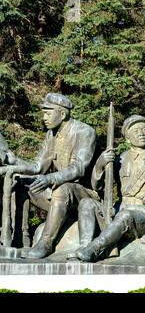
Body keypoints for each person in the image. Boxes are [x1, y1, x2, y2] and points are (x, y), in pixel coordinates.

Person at [0, 93, 97, 258]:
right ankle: (21, 238)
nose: (44, 117)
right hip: (58, 189)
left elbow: (79, 168)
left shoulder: (84, 132)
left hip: (83, 193)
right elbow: (38, 166)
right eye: (43, 113)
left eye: (48, 113)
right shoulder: (51, 135)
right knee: (22, 183)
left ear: (62, 114)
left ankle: (46, 243)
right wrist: (13, 161)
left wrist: (50, 179)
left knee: (63, 189)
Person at [73, 115, 145, 262]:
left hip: (143, 214)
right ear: (127, 138)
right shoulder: (119, 159)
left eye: (144, 129)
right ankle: (84, 247)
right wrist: (99, 165)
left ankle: (94, 248)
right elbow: (97, 187)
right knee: (87, 203)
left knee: (126, 216)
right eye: (136, 131)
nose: (142, 133)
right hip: (118, 209)